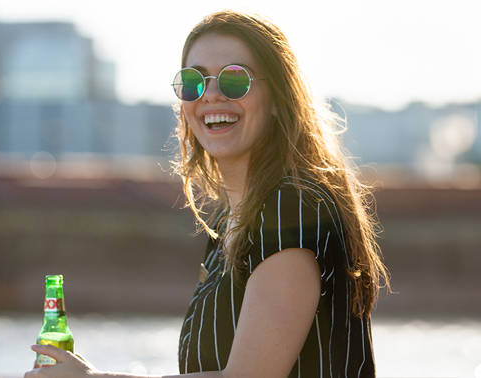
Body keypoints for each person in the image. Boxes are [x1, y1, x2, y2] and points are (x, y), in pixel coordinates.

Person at [25, 10, 390, 378]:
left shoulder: (291, 209)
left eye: (235, 80)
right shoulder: (229, 219)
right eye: (193, 82)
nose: (211, 95)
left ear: (279, 99)